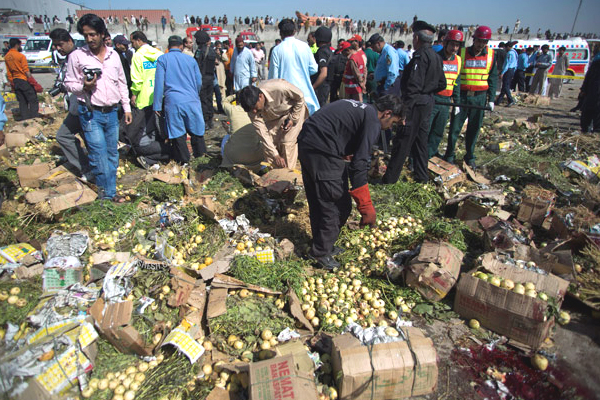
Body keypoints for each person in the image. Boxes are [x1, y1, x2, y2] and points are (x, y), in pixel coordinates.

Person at [298, 95, 403, 270]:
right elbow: (359, 165)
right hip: (321, 148)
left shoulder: (363, 109)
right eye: (393, 122)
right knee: (338, 203)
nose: (389, 128)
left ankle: (322, 245)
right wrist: (366, 206)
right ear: (387, 113)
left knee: (320, 199)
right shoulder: (373, 121)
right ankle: (320, 253)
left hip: (308, 142)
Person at [64, 13, 132, 201]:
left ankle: (110, 190)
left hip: (111, 113)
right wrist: (83, 87)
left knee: (112, 154)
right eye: (86, 35)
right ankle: (106, 195)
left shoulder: (114, 56)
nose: (90, 39)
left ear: (102, 33)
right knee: (98, 154)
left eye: (93, 34)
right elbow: (68, 82)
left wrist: (126, 108)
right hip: (90, 112)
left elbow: (122, 83)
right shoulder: (77, 56)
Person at [382, 20, 445, 184]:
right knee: (420, 142)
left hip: (414, 105)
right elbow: (442, 84)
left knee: (402, 142)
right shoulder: (436, 57)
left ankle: (390, 180)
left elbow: (412, 88)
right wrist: (428, 92)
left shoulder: (419, 57)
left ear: (417, 38)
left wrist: (404, 112)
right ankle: (422, 177)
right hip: (427, 104)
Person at [443, 25, 497, 168]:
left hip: (480, 97)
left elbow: (493, 78)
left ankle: (470, 156)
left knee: (474, 129)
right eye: (479, 41)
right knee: (455, 127)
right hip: (463, 96)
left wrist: (491, 99)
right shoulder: (461, 53)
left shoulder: (491, 55)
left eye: (484, 42)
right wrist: (456, 98)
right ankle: (449, 155)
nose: (481, 44)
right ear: (474, 40)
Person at [153, 35, 206, 164]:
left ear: (168, 46)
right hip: (192, 99)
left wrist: (157, 105)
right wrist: (194, 94)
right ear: (181, 46)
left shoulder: (162, 60)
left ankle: (184, 160)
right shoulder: (190, 60)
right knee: (197, 130)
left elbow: (159, 84)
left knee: (178, 133)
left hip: (174, 101)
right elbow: (199, 82)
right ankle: (201, 159)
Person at [237, 80, 308, 169]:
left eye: (255, 108)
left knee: (286, 142)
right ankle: (275, 176)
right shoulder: (251, 109)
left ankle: (288, 176)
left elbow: (300, 97)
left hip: (293, 111)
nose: (254, 111)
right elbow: (262, 133)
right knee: (269, 146)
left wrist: (292, 119)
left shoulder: (280, 88)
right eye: (251, 110)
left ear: (260, 96)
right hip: (272, 118)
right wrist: (275, 155)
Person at [49, 28, 91, 179]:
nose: (57, 48)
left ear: (69, 41)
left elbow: (87, 83)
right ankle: (90, 166)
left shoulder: (78, 57)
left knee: (63, 135)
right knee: (87, 138)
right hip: (76, 106)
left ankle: (86, 168)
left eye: (60, 44)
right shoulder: (67, 59)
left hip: (83, 106)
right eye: (55, 45)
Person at [268, 18, 319, 115]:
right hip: (305, 96)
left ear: (280, 33)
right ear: (294, 31)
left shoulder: (277, 50)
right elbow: (314, 69)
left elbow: (273, 78)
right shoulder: (305, 46)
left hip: (286, 99)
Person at [427, 30, 463, 159]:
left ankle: (430, 154)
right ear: (445, 43)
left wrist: (456, 102)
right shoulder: (436, 57)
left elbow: (457, 82)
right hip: (434, 98)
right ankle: (416, 157)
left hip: (447, 100)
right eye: (452, 45)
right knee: (426, 129)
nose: (454, 48)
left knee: (438, 130)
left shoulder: (458, 61)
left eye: (457, 46)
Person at [220, 94, 265, 171]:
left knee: (226, 137)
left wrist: (235, 95)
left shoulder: (233, 109)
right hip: (256, 159)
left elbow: (224, 101)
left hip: (235, 159)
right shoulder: (257, 110)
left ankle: (229, 162)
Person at [4, 38, 39, 120]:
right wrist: (34, 82)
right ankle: (34, 118)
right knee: (33, 99)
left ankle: (25, 118)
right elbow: (26, 70)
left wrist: (12, 83)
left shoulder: (7, 56)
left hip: (15, 81)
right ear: (17, 45)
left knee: (22, 101)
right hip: (23, 80)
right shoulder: (20, 56)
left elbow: (9, 72)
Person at [130, 31, 163, 112]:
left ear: (138, 41)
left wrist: (134, 94)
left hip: (144, 99)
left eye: (132, 42)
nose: (132, 45)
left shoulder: (137, 56)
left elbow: (137, 79)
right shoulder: (160, 54)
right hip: (160, 96)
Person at [194, 31, 217, 129]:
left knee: (202, 100)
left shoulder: (200, 51)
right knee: (209, 99)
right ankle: (210, 119)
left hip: (202, 79)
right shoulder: (211, 50)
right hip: (210, 78)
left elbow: (196, 64)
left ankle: (205, 121)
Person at [311, 26, 333, 107]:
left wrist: (313, 87)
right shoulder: (329, 51)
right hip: (326, 86)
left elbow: (324, 73)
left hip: (320, 88)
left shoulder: (322, 52)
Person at [579, 55, 600, 132]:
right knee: (586, 114)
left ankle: (596, 132)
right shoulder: (596, 64)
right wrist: (583, 90)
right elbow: (588, 77)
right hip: (591, 94)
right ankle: (585, 130)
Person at [495, 40, 517, 106]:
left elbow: (507, 64)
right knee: (504, 86)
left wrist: (503, 73)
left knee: (506, 86)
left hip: (508, 70)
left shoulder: (509, 53)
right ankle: (498, 101)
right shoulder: (515, 52)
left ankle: (510, 100)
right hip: (512, 70)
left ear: (507, 47)